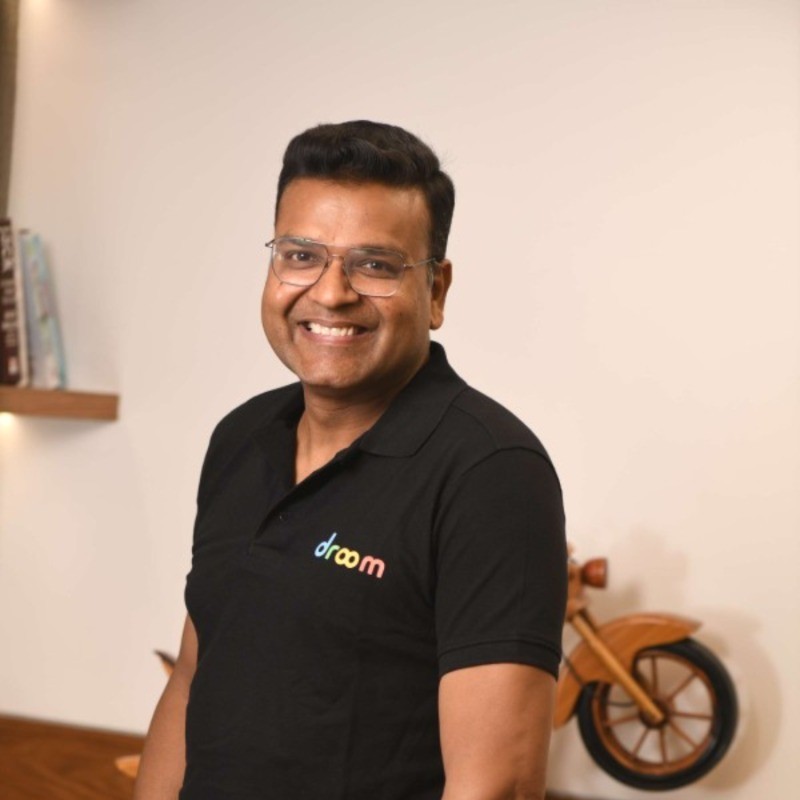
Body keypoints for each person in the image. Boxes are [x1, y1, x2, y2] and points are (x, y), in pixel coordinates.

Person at [134, 120, 567, 800]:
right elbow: (193, 680)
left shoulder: (491, 472)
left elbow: (498, 785)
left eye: (374, 265)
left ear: (437, 292)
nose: (331, 292)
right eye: (300, 255)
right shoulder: (241, 439)